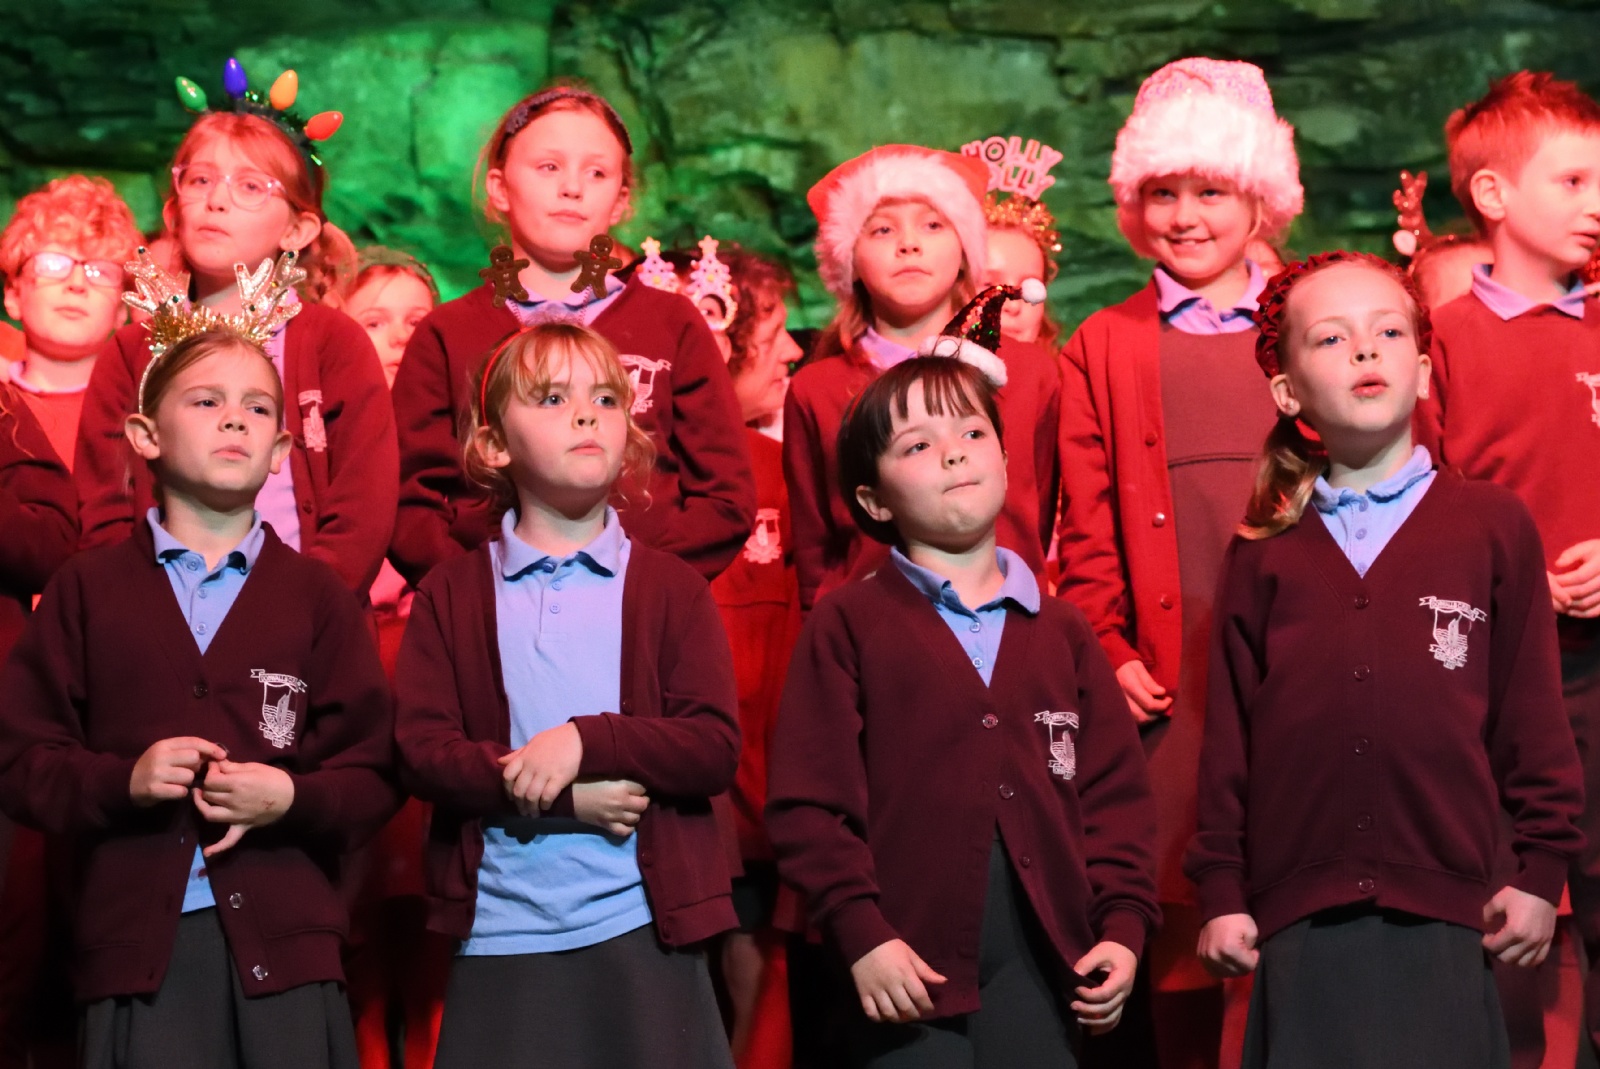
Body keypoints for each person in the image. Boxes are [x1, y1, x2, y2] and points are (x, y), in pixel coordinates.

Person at [1189, 250, 1583, 1069]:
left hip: (1452, 913)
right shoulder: (1263, 550)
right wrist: (1221, 888)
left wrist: (1541, 871)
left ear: (1425, 370)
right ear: (1288, 392)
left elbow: (1532, 719)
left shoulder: (1491, 525)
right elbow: (1229, 740)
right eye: (1331, 338)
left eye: (1389, 332)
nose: (1365, 350)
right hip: (1298, 920)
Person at [0, 324, 399, 1069]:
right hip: (136, 962)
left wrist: (292, 797)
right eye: (207, 401)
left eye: (257, 408)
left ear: (280, 451)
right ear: (145, 436)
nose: (234, 420)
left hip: (291, 959)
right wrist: (122, 782)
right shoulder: (85, 590)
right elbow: (23, 759)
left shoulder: (317, 596)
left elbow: (374, 769)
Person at [768, 345, 1159, 1068]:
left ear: (1007, 461)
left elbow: (1115, 800)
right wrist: (863, 934)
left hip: (1048, 971)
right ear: (874, 501)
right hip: (903, 973)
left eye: (972, 432)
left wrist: (1124, 925)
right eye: (917, 445)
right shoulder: (847, 624)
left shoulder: (1064, 630)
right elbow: (808, 806)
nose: (953, 453)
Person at [394, 321, 741, 1069]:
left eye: (606, 399)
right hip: (503, 933)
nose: (586, 414)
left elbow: (712, 746)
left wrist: (588, 738)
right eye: (552, 398)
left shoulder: (672, 588)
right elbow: (423, 752)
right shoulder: (453, 593)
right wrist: (562, 800)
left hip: (645, 930)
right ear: (494, 445)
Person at [1054, 57, 1302, 1067]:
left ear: (1259, 199)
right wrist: (1108, 642)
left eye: (1212, 191)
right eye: (1164, 192)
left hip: (1296, 656)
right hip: (1172, 671)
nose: (1186, 216)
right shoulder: (1105, 343)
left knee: (1299, 879)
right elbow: (1085, 521)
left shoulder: (1308, 317)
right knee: (1181, 905)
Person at [388, 84, 755, 587]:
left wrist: (644, 586)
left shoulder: (674, 324)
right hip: (490, 611)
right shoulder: (447, 334)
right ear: (499, 188)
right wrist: (477, 592)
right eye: (549, 166)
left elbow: (725, 497)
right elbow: (411, 500)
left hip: (642, 610)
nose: (572, 188)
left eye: (596, 173)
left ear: (620, 200)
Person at [1416, 70, 1600, 1059]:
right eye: (1572, 181)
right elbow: (1418, 508)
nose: (1596, 203)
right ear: (1491, 193)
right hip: (1493, 683)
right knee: (1507, 919)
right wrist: (1518, 580)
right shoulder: (1441, 342)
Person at [74, 62, 397, 596]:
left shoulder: (333, 343)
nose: (216, 200)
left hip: (303, 621)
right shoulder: (132, 352)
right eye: (200, 180)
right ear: (174, 211)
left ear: (298, 228)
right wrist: (143, 610)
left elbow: (364, 503)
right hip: (160, 622)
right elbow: (103, 504)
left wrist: (308, 606)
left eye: (250, 186)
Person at [785, 143, 1061, 613]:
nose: (908, 244)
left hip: (1007, 625)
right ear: (849, 259)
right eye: (882, 229)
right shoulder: (817, 389)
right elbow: (815, 550)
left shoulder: (1030, 373)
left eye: (933, 225)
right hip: (872, 631)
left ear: (965, 250)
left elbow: (1036, 515)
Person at [0, 175, 142, 468]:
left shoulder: (145, 419)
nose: (77, 283)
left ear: (122, 309)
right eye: (52, 264)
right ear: (13, 295)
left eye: (101, 271)